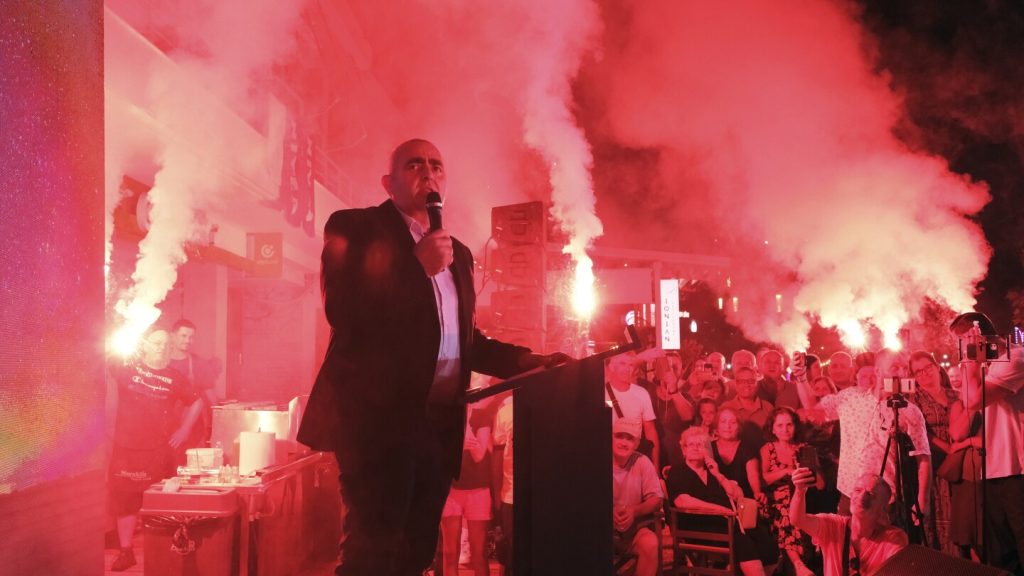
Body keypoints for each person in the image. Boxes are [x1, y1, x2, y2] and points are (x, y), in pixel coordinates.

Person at [296, 139, 565, 576]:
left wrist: (528, 361)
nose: (428, 172)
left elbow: (466, 341)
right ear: (389, 183)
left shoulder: (458, 253)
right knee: (371, 555)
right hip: (375, 426)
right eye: (414, 164)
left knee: (417, 553)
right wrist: (413, 268)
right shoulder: (354, 227)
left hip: (438, 427)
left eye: (436, 165)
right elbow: (342, 313)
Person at [107, 329, 203, 572]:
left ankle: (160, 554)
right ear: (145, 345)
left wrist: (184, 430)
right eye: (156, 342)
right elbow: (107, 354)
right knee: (125, 501)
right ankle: (126, 551)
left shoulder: (175, 377)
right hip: (126, 448)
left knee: (158, 499)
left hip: (159, 450)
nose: (161, 347)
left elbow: (197, 401)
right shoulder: (128, 368)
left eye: (166, 343)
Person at [805, 349, 932, 526]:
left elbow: (923, 458)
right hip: (850, 494)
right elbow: (812, 412)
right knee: (848, 543)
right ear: (878, 371)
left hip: (885, 499)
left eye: (904, 368)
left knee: (886, 544)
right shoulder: (850, 398)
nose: (901, 372)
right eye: (895, 367)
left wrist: (922, 499)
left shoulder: (909, 410)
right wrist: (802, 379)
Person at [951, 312, 1024, 573]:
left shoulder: (1015, 358)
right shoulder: (986, 365)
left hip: (1018, 469)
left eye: (961, 342)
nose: (960, 350)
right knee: (1001, 554)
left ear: (976, 335)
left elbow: (973, 401)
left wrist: (971, 360)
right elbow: (966, 400)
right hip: (993, 469)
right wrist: (973, 363)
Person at [666, 427, 778, 576]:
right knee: (742, 541)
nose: (695, 448)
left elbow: (738, 495)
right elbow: (683, 502)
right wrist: (720, 510)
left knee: (764, 538)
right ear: (684, 449)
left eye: (700, 444)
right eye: (690, 444)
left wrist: (718, 475)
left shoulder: (712, 470)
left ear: (707, 449)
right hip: (698, 526)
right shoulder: (678, 471)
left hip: (727, 523)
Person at [790, 469, 908, 576]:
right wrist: (800, 490)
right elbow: (798, 519)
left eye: (871, 495)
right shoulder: (833, 525)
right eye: (858, 490)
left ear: (883, 509)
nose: (862, 497)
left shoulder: (892, 538)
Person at [907, 350, 960, 553]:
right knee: (938, 516)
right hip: (933, 463)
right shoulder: (915, 399)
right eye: (918, 371)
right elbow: (919, 433)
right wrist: (947, 448)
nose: (924, 373)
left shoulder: (954, 394)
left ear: (937, 367)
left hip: (960, 461)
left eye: (927, 368)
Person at [759, 407, 822, 576]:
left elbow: (820, 485)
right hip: (775, 501)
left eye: (789, 425)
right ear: (773, 429)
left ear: (795, 426)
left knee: (794, 507)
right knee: (787, 508)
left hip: (802, 498)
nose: (785, 430)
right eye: (779, 425)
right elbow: (763, 479)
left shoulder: (804, 449)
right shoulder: (768, 449)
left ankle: (799, 565)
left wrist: (811, 468)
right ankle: (798, 564)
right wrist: (786, 472)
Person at [441, 400, 494, 576]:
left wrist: (467, 432)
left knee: (479, 553)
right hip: (451, 489)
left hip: (478, 489)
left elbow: (479, 455)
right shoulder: (448, 416)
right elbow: (442, 451)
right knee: (450, 553)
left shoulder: (482, 416)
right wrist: (460, 443)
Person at [611, 418, 664, 576]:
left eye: (629, 439)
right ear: (610, 438)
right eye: (619, 436)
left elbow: (657, 499)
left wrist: (634, 511)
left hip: (634, 531)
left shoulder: (642, 462)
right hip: (601, 529)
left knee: (650, 543)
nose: (623, 442)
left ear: (637, 443)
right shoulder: (597, 460)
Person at [168, 318, 219, 454]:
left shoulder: (200, 364)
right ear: (172, 336)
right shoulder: (162, 361)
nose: (188, 340)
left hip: (193, 429)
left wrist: (214, 429)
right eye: (183, 336)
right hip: (165, 428)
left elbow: (212, 401)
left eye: (191, 337)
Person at [606, 351, 661, 470]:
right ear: (611, 367)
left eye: (631, 365)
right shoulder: (601, 393)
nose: (627, 369)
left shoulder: (641, 393)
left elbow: (650, 431)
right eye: (622, 363)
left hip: (634, 461)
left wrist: (655, 467)